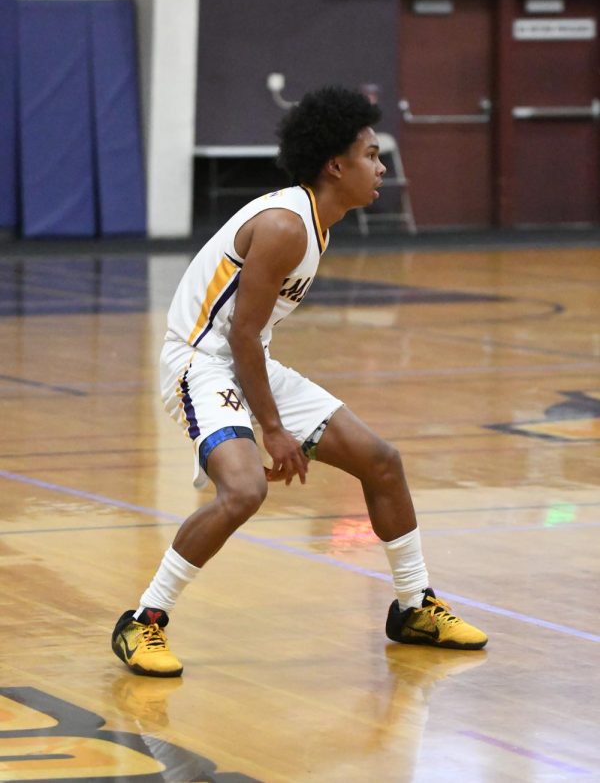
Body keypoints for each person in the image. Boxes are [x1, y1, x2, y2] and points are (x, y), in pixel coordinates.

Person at [111, 86, 488, 677]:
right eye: (370, 154)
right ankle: (144, 622)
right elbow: (238, 337)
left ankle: (414, 607)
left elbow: (250, 340)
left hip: (245, 357)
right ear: (335, 165)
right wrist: (274, 429)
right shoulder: (287, 225)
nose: (381, 166)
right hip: (199, 361)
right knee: (243, 492)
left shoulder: (318, 221)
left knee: (381, 460)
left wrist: (276, 419)